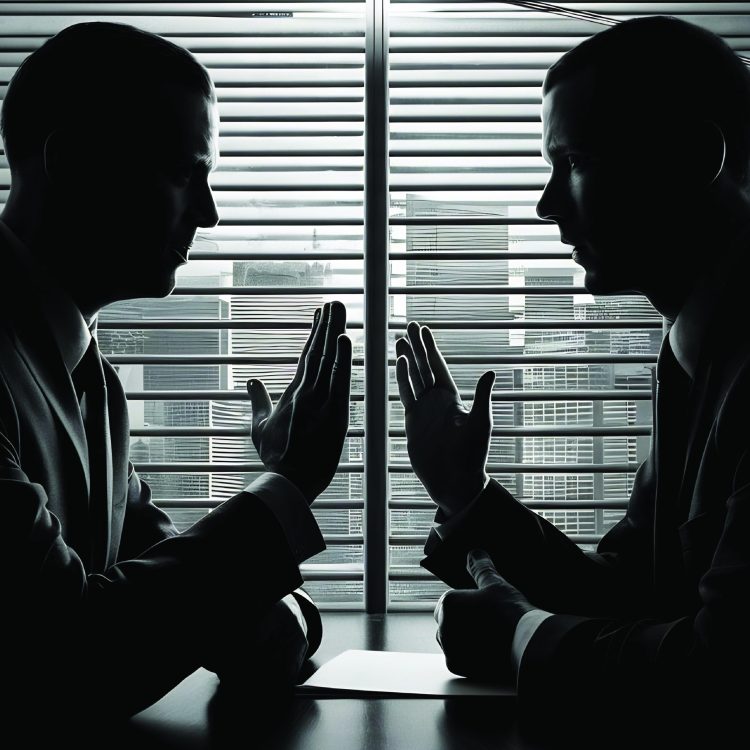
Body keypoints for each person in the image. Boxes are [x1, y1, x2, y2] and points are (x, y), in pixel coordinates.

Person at [0, 22, 351, 732]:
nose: (210, 213)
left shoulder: (96, 383)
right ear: (72, 163)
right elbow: (65, 658)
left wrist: (273, 616)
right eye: (186, 174)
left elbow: (163, 589)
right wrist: (285, 486)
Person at [396, 15, 750, 719]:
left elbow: (723, 671)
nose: (546, 204)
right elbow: (632, 591)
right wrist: (464, 490)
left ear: (692, 158)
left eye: (576, 161)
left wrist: (519, 637)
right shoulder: (694, 354)